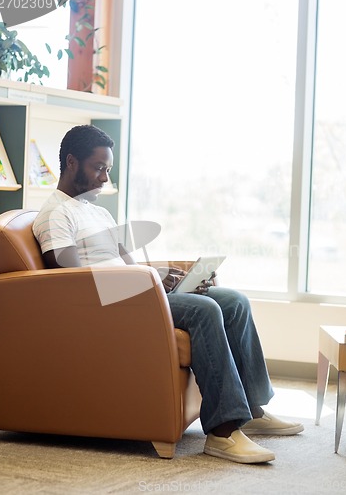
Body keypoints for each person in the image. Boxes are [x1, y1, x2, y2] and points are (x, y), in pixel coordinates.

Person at [33, 125, 304, 464]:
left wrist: (165, 280)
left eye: (108, 169)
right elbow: (76, 284)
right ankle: (222, 433)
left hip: (135, 294)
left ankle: (253, 409)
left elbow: (127, 265)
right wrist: (147, 283)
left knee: (234, 301)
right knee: (204, 310)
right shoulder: (55, 215)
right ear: (71, 162)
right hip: (111, 306)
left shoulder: (97, 210)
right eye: (98, 168)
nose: (105, 178)